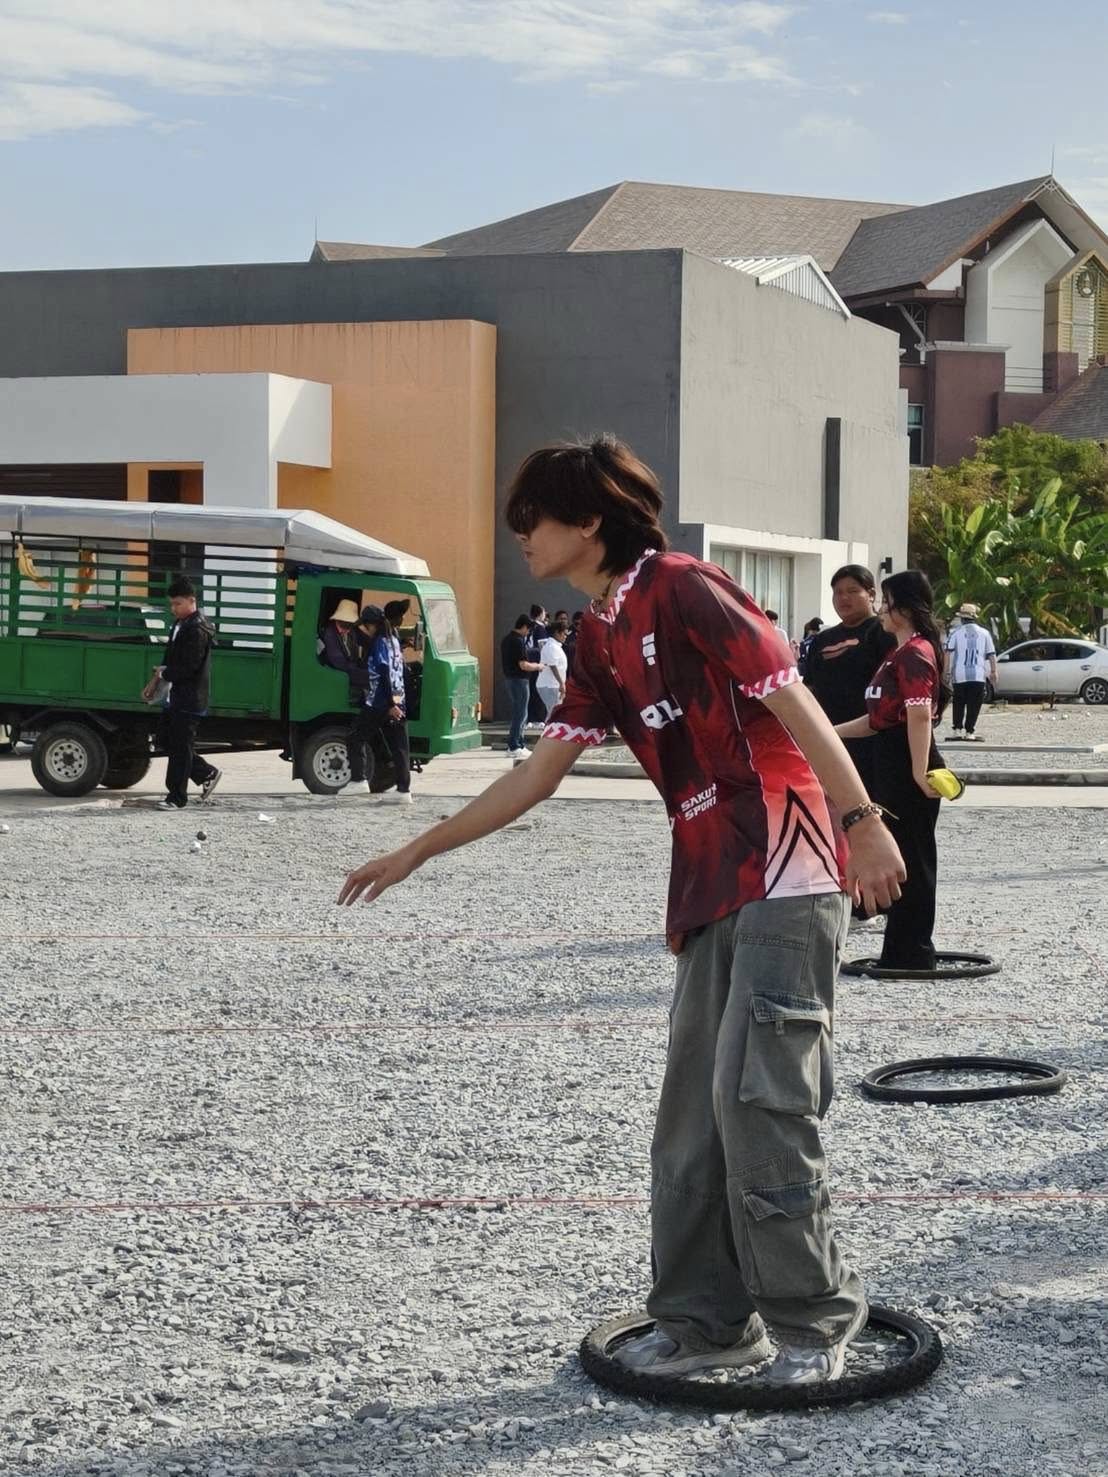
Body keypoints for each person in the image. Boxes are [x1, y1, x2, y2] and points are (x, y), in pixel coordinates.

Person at [339, 435, 906, 1388]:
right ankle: (707, 1323)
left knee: (760, 1099)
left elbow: (792, 699)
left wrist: (862, 820)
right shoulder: (599, 632)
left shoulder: (683, 584)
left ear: (590, 519)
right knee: (690, 1119)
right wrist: (416, 850)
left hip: (791, 862)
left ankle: (813, 1324)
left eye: (533, 518)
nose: (521, 536)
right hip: (710, 882)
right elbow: (535, 775)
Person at [834, 570, 947, 972]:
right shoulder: (898, 653)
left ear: (906, 607)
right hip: (891, 757)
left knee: (912, 856)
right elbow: (877, 720)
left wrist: (919, 771)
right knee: (897, 852)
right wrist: (827, 733)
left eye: (887, 601)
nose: (881, 610)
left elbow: (919, 716)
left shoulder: (915, 652)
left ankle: (912, 952)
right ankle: (898, 948)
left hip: (906, 761)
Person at [804, 565, 896, 796]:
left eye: (853, 591)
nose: (844, 598)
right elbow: (809, 688)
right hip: (831, 738)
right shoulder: (822, 640)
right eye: (838, 592)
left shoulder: (884, 633)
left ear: (871, 594)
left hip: (875, 741)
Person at [149, 577, 222, 811]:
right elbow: (171, 657)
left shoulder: (197, 629)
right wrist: (158, 678)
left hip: (189, 699)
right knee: (165, 740)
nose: (174, 608)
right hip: (175, 696)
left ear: (192, 601)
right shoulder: (181, 624)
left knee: (180, 748)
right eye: (172, 604)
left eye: (178, 604)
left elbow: (189, 666)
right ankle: (206, 773)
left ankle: (176, 798)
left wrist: (166, 673)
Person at [352, 605, 413, 804]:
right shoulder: (393, 641)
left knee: (355, 738)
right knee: (400, 747)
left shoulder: (379, 643)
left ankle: (358, 780)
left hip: (380, 702)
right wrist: (397, 702)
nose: (366, 630)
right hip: (398, 699)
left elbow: (383, 673)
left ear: (372, 625)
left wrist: (389, 704)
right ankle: (404, 790)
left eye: (366, 626)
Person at [320, 598, 373, 792]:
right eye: (344, 624)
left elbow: (368, 642)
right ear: (337, 620)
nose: (347, 627)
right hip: (338, 677)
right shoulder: (330, 634)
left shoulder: (351, 631)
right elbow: (339, 663)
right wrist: (365, 674)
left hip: (350, 672)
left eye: (350, 624)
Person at [945, 603, 997, 741]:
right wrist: (994, 671)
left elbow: (947, 653)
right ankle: (970, 731)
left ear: (962, 618)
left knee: (959, 702)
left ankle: (957, 730)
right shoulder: (985, 633)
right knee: (974, 704)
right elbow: (991, 654)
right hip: (978, 675)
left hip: (959, 675)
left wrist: (946, 672)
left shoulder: (955, 633)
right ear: (974, 617)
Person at [500, 614, 541, 757]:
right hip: (519, 680)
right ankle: (514, 746)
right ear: (524, 627)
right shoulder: (517, 641)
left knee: (520, 712)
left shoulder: (506, 639)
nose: (528, 633)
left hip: (510, 679)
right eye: (528, 630)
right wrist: (538, 666)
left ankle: (519, 744)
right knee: (521, 713)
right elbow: (523, 665)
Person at [536, 619, 570, 718]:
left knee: (555, 714)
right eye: (564, 634)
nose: (565, 636)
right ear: (556, 633)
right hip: (550, 686)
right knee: (554, 714)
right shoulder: (551, 646)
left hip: (553, 685)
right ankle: (549, 728)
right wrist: (561, 683)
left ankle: (550, 727)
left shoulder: (555, 646)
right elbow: (553, 666)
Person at [526, 603, 549, 724]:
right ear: (540, 614)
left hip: (527, 660)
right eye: (544, 612)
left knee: (529, 690)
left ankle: (529, 718)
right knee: (538, 691)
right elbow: (543, 647)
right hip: (538, 662)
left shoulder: (528, 627)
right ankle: (539, 718)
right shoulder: (540, 628)